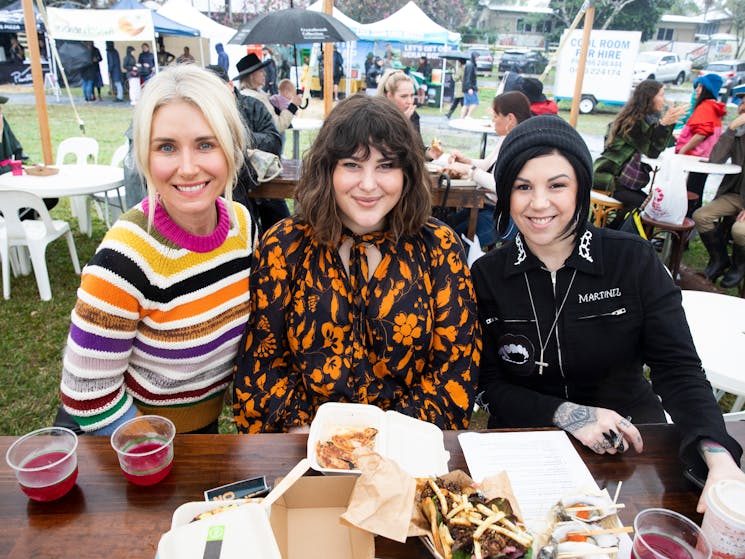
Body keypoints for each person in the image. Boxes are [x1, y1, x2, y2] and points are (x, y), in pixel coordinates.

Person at [470, 115, 744, 512]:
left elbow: (678, 367)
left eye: (557, 185)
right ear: (505, 194)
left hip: (630, 444)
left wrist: (717, 455)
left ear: (581, 186)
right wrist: (569, 414)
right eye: (522, 186)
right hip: (526, 442)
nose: (539, 203)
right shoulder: (486, 275)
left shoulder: (632, 260)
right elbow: (488, 385)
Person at [232, 94, 481, 433]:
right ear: (327, 169)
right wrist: (305, 433)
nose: (368, 184)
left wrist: (389, 441)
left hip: (408, 448)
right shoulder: (284, 246)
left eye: (386, 165)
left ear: (407, 173)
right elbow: (263, 361)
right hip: (306, 446)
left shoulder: (439, 247)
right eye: (352, 164)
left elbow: (455, 369)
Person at [59, 64, 256, 436]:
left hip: (203, 432)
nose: (187, 167)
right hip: (130, 435)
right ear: (144, 157)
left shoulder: (242, 226)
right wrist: (153, 447)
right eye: (166, 147)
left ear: (231, 147)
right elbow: (86, 394)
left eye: (205, 144)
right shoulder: (122, 259)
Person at [593, 80, 689, 225]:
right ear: (649, 97)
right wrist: (664, 125)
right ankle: (612, 236)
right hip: (609, 177)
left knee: (644, 206)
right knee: (647, 207)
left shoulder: (649, 119)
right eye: (661, 95)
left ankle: (614, 236)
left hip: (623, 181)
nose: (665, 100)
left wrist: (667, 124)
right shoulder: (631, 123)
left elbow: (658, 148)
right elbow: (651, 151)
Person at [444, 91, 532, 247]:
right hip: (489, 207)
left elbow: (502, 185)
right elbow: (489, 165)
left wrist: (469, 170)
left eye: (496, 116)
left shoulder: (522, 145)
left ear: (510, 119)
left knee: (453, 242)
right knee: (445, 228)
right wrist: (466, 160)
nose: (493, 121)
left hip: (507, 217)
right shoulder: (509, 138)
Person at [235, 52, 300, 230]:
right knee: (280, 220)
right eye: (260, 71)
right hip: (264, 167)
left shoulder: (254, 95)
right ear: (251, 75)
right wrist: (293, 106)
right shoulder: (255, 100)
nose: (264, 74)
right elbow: (277, 127)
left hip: (255, 167)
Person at [693, 92, 745, 288]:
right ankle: (720, 259)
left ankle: (739, 266)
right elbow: (716, 159)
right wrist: (731, 129)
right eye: (742, 103)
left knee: (739, 230)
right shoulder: (738, 133)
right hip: (735, 194)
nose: (742, 107)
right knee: (701, 216)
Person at [676, 73, 727, 218]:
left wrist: (683, 150)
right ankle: (687, 229)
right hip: (705, 158)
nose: (696, 90)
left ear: (707, 89)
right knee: (696, 190)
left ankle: (683, 231)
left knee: (691, 194)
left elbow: (702, 133)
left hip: (695, 159)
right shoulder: (714, 107)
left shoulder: (705, 107)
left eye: (700, 86)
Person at [377, 69, 440, 160]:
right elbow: (384, 152)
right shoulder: (376, 116)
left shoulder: (412, 115)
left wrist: (430, 153)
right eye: (404, 96)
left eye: (412, 95)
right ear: (390, 96)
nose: (410, 101)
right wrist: (402, 123)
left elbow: (418, 151)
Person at [461, 52, 479, 118]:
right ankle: (468, 116)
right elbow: (467, 78)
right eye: (477, 57)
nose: (478, 59)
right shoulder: (470, 65)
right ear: (474, 57)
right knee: (475, 102)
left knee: (466, 104)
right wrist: (469, 88)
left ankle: (462, 118)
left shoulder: (472, 65)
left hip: (469, 87)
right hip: (469, 88)